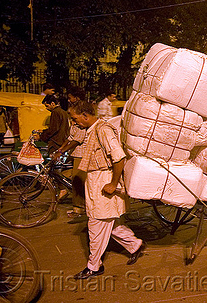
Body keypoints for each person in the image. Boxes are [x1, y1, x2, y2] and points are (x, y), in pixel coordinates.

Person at [69, 101, 145, 280]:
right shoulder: (92, 130)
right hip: (96, 180)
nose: (74, 123)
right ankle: (135, 245)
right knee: (109, 224)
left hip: (103, 181)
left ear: (85, 115)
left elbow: (119, 158)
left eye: (75, 119)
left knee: (95, 225)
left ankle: (94, 266)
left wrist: (112, 183)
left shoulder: (103, 130)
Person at [52, 86, 87, 217]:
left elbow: (77, 138)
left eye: (70, 97)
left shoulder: (82, 110)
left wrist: (61, 151)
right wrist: (61, 148)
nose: (69, 99)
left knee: (77, 180)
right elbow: (71, 136)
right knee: (70, 176)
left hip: (82, 152)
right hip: (76, 152)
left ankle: (79, 209)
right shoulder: (74, 111)